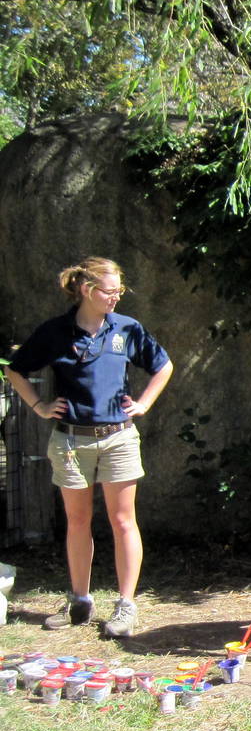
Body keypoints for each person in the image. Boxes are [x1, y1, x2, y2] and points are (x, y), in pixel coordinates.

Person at [4, 257, 172, 638]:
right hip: (69, 441)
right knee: (77, 521)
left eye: (119, 291)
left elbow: (163, 366)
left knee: (122, 520)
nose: (116, 297)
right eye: (110, 291)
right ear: (86, 290)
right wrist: (39, 406)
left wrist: (144, 403)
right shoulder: (55, 332)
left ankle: (126, 606)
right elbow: (15, 369)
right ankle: (80, 601)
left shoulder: (127, 329)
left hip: (119, 438)